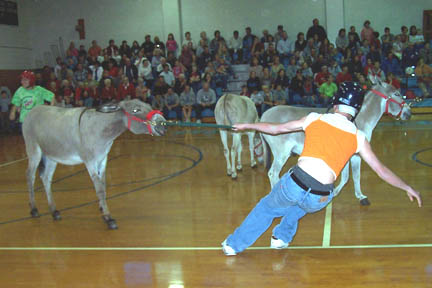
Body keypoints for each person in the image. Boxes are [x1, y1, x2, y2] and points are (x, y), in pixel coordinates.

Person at [221, 81, 422, 256]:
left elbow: (276, 129)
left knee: (266, 208)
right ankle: (281, 237)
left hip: (296, 184)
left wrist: (248, 125)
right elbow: (381, 171)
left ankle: (233, 245)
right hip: (322, 197)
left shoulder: (316, 118)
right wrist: (407, 187)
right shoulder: (359, 136)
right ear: (357, 108)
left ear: (335, 102)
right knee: (300, 206)